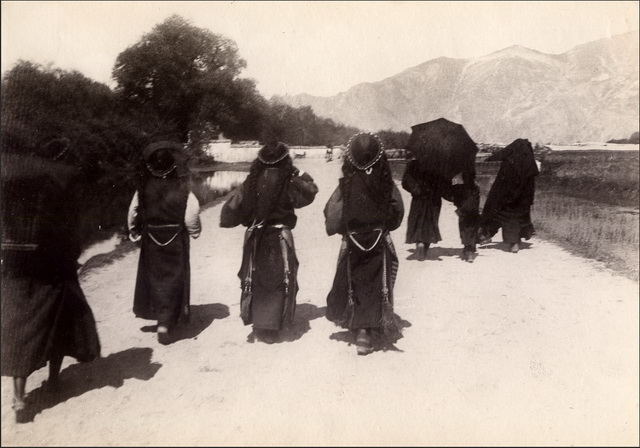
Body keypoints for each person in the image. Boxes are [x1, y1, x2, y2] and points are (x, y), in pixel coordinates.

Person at [1, 137, 101, 423]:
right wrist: (73, 256)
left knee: (20, 325)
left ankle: (19, 397)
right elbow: (70, 231)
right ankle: (54, 380)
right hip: (53, 266)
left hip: (15, 267)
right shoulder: (62, 187)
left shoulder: (13, 184)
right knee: (61, 317)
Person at [220, 141, 318, 343]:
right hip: (280, 236)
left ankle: (259, 321)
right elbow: (310, 192)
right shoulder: (289, 181)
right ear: (285, 160)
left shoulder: (252, 181)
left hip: (256, 238)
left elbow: (231, 210)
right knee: (281, 278)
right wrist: (298, 173)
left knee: (255, 276)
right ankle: (272, 325)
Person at [324, 133, 404, 355]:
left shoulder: (346, 184)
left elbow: (332, 213)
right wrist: (384, 224)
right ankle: (369, 330)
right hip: (379, 238)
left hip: (353, 240)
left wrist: (344, 229)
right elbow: (398, 211)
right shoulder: (387, 184)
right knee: (378, 283)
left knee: (354, 282)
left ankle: (360, 330)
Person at [127, 141, 202, 345]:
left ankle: (160, 318)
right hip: (175, 238)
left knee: (154, 277)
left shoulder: (144, 187)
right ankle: (166, 322)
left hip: (151, 237)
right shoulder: (182, 187)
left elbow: (134, 211)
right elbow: (191, 214)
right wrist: (195, 232)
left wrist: (134, 231)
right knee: (174, 278)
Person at [478, 138, 539, 253]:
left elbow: (501, 182)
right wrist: (528, 199)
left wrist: (498, 197)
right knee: (518, 218)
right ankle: (514, 242)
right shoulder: (530, 164)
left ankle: (511, 243)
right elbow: (531, 185)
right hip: (523, 200)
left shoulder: (509, 162)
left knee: (505, 217)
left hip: (508, 198)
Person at [401, 158, 443, 260]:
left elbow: (405, 182)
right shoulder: (439, 163)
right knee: (431, 221)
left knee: (417, 219)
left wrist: (415, 189)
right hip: (434, 198)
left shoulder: (412, 164)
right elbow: (444, 182)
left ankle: (419, 242)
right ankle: (425, 247)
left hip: (418, 197)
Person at [443, 170, 481, 262]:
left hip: (462, 206)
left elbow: (447, 193)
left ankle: (468, 250)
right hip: (472, 206)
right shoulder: (475, 188)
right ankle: (471, 248)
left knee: (464, 226)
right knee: (472, 225)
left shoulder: (459, 187)